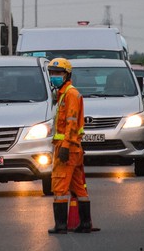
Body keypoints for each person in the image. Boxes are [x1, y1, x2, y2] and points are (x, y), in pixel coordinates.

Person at [47, 58, 97, 234]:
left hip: (67, 147)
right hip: (73, 147)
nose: (54, 76)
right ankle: (85, 224)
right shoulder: (64, 94)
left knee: (60, 186)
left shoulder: (70, 94)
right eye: (52, 73)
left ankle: (60, 225)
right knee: (77, 187)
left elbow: (71, 122)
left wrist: (66, 146)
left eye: (58, 73)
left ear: (67, 75)